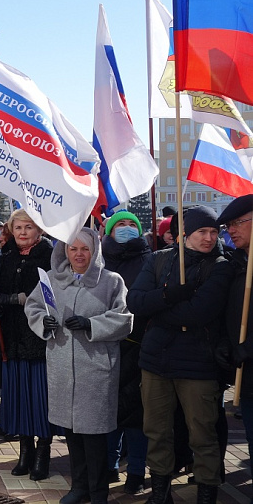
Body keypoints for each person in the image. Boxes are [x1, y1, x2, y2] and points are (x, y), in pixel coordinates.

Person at [128, 205, 232, 504]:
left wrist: (157, 310)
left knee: (203, 434)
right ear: (184, 234)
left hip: (199, 364)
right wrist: (168, 295)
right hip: (155, 362)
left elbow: (201, 312)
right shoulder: (160, 259)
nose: (210, 238)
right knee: (157, 431)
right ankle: (160, 493)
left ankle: (206, 492)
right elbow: (135, 300)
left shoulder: (221, 265)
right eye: (202, 231)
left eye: (214, 232)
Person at [25, 227, 133, 504]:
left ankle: (98, 492)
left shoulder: (111, 281)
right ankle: (79, 487)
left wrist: (91, 324)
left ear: (95, 250)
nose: (79, 254)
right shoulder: (51, 280)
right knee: (72, 433)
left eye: (85, 248)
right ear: (64, 251)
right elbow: (34, 308)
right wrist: (43, 323)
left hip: (95, 369)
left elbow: (124, 319)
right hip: (62, 367)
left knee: (94, 436)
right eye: (73, 249)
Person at [0, 209, 54, 480]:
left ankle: (43, 452)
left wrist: (14, 299)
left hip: (37, 340)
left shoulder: (48, 257)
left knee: (40, 399)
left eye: (29, 227)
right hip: (12, 340)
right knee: (19, 399)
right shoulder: (6, 257)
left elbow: (46, 296)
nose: (23, 232)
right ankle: (24, 449)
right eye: (18, 228)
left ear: (39, 230)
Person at [100, 210, 152, 495]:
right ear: (109, 230)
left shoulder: (150, 259)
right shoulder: (99, 262)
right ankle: (109, 465)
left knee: (137, 415)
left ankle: (136, 471)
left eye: (132, 224)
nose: (126, 228)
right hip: (105, 345)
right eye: (120, 224)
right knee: (109, 412)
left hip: (139, 345)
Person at [218, 194, 253, 491]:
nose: (231, 230)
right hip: (247, 373)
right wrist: (228, 344)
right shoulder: (237, 263)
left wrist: (247, 347)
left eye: (238, 223)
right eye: (229, 225)